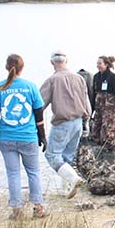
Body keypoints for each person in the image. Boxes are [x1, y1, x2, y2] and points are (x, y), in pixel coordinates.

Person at [0, 54, 48, 220]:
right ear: (22, 67)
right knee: (33, 172)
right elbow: (39, 115)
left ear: (6, 67)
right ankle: (38, 208)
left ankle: (16, 211)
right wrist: (43, 137)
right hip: (28, 137)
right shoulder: (31, 87)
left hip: (7, 138)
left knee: (13, 174)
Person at [40, 49, 92, 197]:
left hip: (62, 122)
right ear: (66, 61)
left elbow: (39, 104)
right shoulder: (79, 78)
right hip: (78, 122)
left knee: (52, 155)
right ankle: (65, 189)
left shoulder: (52, 80)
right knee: (67, 156)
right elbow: (86, 102)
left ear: (52, 62)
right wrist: (86, 121)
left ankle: (73, 179)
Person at [90, 55, 115, 150]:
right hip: (99, 108)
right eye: (97, 63)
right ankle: (100, 150)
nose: (98, 65)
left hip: (109, 109)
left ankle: (110, 151)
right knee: (96, 129)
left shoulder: (112, 77)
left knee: (108, 131)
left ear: (106, 64)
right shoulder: (96, 77)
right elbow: (93, 94)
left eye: (100, 63)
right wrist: (91, 110)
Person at [76, 66, 94, 138]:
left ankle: (83, 130)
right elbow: (92, 93)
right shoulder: (91, 76)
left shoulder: (76, 77)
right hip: (89, 101)